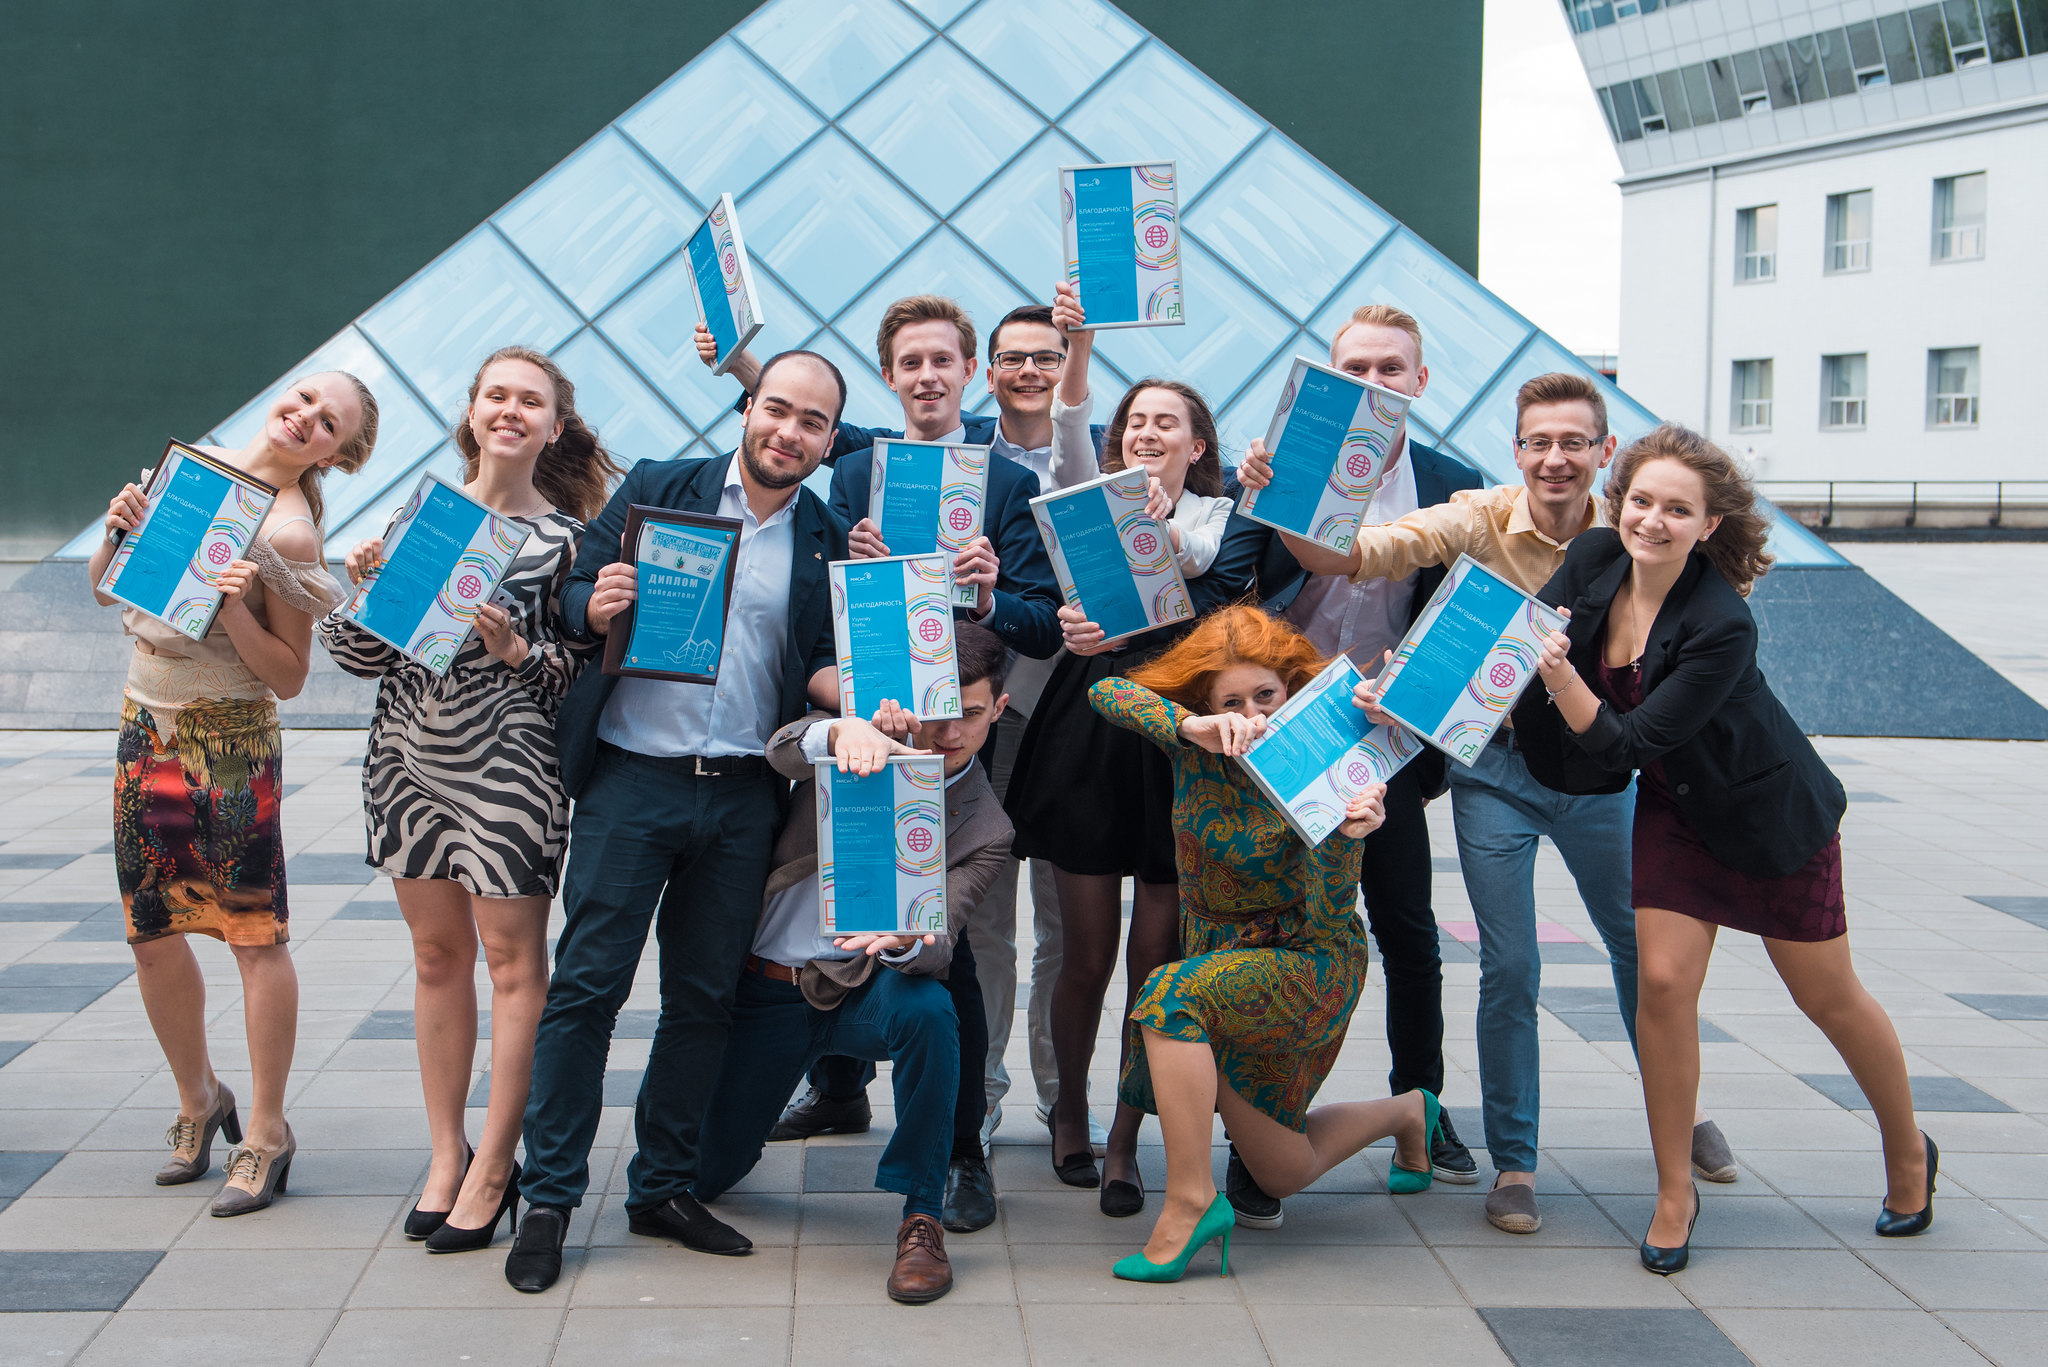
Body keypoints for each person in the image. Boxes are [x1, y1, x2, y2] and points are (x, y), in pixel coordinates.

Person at [1245, 370, 1738, 1235]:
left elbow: (1706, 618)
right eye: (1539, 442)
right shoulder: (1476, 517)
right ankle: (1515, 1161)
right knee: (1510, 967)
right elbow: (1353, 554)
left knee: (1642, 953)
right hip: (1497, 774)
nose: (1555, 458)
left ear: (1604, 451)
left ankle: (1681, 1109)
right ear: (1517, 451)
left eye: (1573, 442)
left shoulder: (1636, 526)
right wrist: (1288, 495)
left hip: (1598, 776)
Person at [1511, 426, 1933, 1272]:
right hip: (1677, 808)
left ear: (1708, 525)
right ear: (1617, 502)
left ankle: (1908, 1150)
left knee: (1828, 997)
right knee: (1663, 984)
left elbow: (1628, 741)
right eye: (1641, 500)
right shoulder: (1593, 558)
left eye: (1677, 509)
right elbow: (1511, 642)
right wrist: (1415, 682)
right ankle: (1675, 1190)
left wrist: (1558, 675)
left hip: (1769, 815)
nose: (1652, 520)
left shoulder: (1721, 622)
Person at [702, 303, 1106, 1172]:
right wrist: (850, 563)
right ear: (889, 377)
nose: (927, 376)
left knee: (964, 928)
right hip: (870, 720)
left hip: (965, 731)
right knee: (849, 877)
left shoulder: (1006, 483)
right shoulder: (857, 471)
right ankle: (838, 1084)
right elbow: (821, 600)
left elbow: (1045, 623)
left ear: (970, 374)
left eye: (942, 361)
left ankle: (969, 1124)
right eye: (910, 363)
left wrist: (991, 594)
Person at [504, 350, 850, 1294]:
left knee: (702, 999)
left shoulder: (823, 536)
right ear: (748, 408)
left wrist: (867, 694)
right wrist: (595, 602)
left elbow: (819, 658)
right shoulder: (663, 486)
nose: (789, 431)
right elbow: (568, 595)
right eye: (777, 409)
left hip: (742, 794)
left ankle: (661, 1185)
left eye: (812, 421)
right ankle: (549, 1197)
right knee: (587, 991)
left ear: (829, 441)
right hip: (633, 780)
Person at [320, 347, 617, 1252]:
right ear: (474, 411)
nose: (511, 410)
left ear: (554, 427)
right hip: (408, 762)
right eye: (497, 395)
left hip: (510, 769)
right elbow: (358, 657)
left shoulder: (571, 541)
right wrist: (366, 591)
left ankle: (495, 1165)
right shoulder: (426, 518)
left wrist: (517, 649)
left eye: (531, 401)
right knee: (435, 957)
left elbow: (582, 678)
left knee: (513, 965)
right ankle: (446, 1153)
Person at [1217, 304, 1486, 1228]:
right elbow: (1231, 588)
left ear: (1420, 381)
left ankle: (1425, 1106)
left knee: (1407, 928)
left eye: (1390, 367)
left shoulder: (1453, 482)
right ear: (1328, 380)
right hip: (1290, 729)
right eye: (1354, 367)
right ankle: (1263, 1135)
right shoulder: (1280, 469)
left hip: (1391, 732)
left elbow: (1463, 609)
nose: (1373, 381)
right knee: (1276, 934)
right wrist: (1254, 496)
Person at [89, 372, 377, 1215]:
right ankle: (198, 1097)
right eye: (306, 400)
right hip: (146, 723)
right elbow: (108, 587)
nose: (306, 418)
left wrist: (234, 607)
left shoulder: (289, 534)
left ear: (337, 455)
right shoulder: (189, 472)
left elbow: (289, 675)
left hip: (230, 742)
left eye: (328, 423)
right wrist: (115, 532)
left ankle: (267, 1131)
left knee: (253, 936)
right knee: (151, 932)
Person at [1086, 606, 1440, 1283]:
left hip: (1306, 960)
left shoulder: (1328, 756)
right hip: (1216, 955)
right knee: (1283, 1170)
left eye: (1265, 695)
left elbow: (1327, 919)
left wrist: (1347, 839)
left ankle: (1191, 1203)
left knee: (1167, 996)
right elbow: (1107, 691)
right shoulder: (1193, 743)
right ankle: (1410, 1111)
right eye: (1231, 701)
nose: (1251, 714)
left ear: (1291, 690)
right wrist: (1188, 725)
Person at [1003, 280, 1241, 1217]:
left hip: (1180, 739)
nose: (1145, 432)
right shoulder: (1086, 491)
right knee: (1084, 953)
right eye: (1135, 421)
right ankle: (1069, 1109)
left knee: (1157, 959)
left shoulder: (1222, 522)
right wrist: (1082, 344)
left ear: (1198, 444)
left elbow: (1196, 566)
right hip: (1094, 728)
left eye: (1165, 422)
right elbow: (1070, 424)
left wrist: (1147, 513)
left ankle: (1128, 1137)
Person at [693, 624, 1017, 1303]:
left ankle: (921, 1217)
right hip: (769, 988)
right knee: (706, 1173)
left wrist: (906, 937)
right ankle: (790, 1108)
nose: (949, 730)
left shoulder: (987, 827)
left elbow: (943, 940)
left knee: (932, 1009)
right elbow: (781, 747)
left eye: (970, 712)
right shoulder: (867, 732)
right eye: (937, 709)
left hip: (864, 990)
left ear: (999, 709)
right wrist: (841, 731)